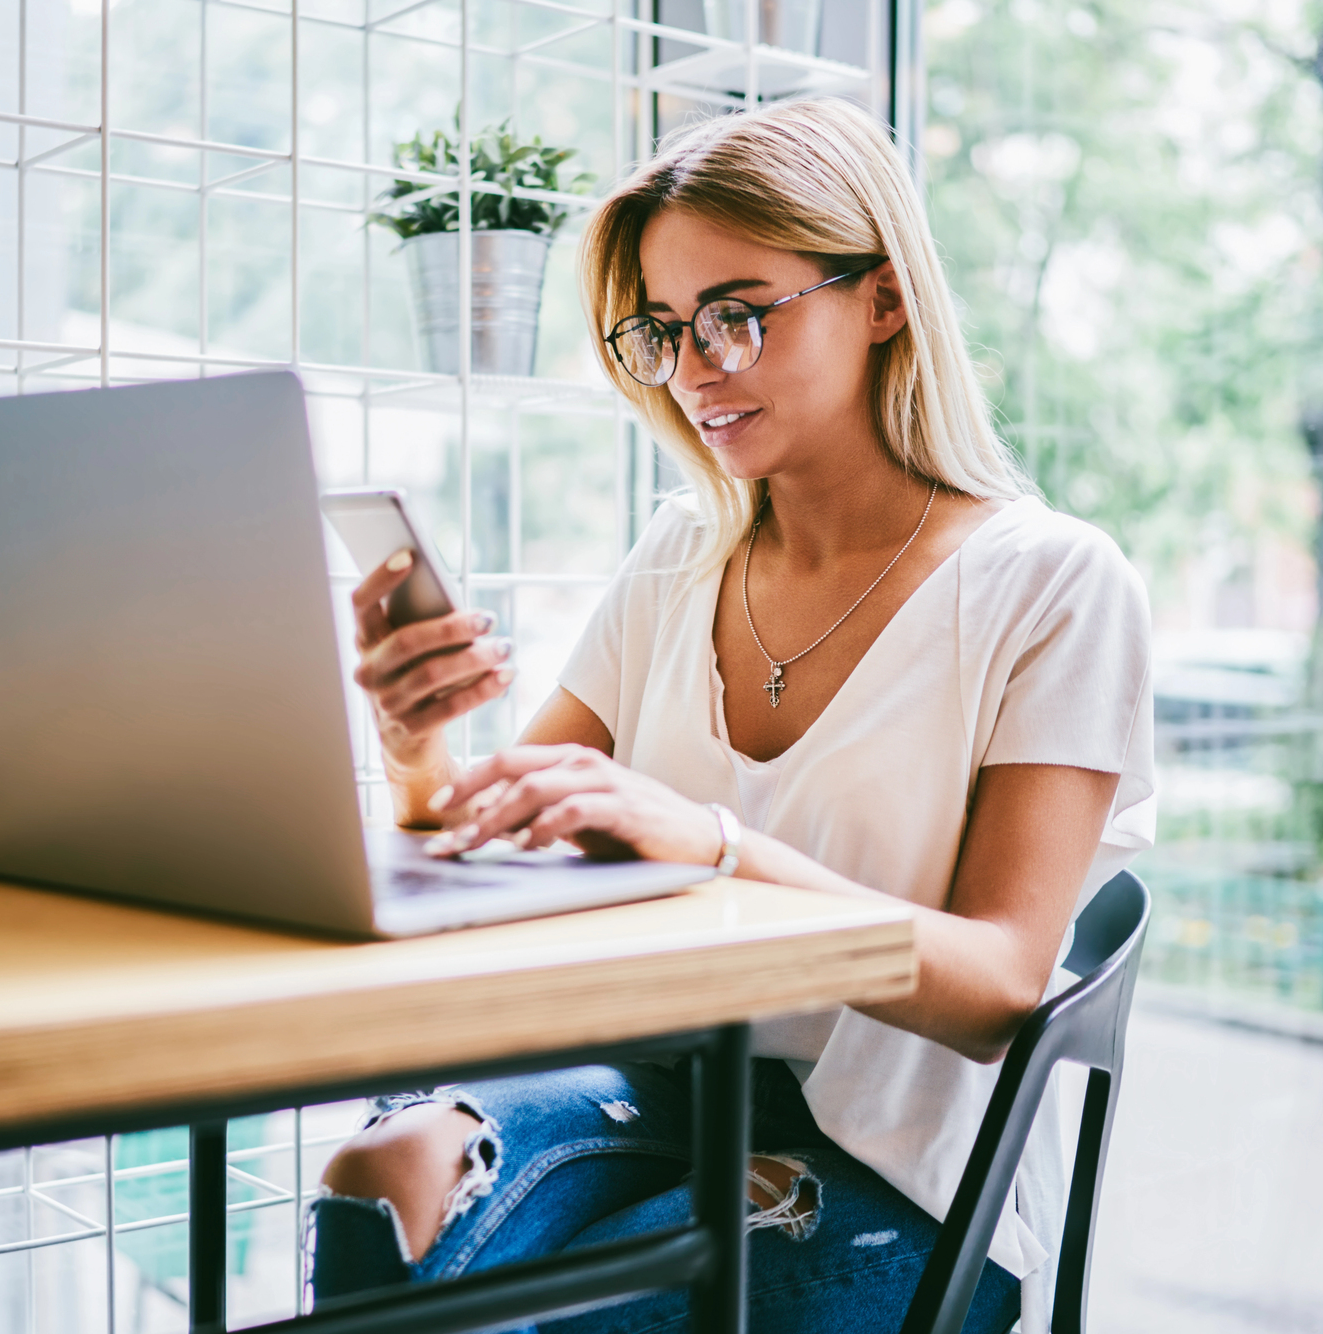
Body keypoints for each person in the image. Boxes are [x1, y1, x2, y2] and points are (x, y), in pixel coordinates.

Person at [311, 98, 1154, 1334]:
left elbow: (996, 985)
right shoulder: (677, 557)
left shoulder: (1055, 582)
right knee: (374, 1183)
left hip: (898, 1159)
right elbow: (469, 842)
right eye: (664, 328)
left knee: (553, 1318)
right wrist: (413, 740)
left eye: (738, 312)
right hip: (651, 1084)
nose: (699, 363)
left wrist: (708, 840)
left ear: (880, 298)